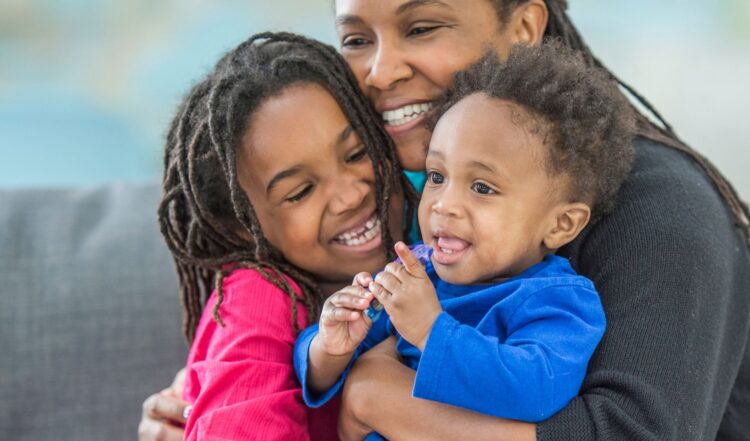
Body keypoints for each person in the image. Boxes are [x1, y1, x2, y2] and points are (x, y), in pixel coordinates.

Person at [140, 1, 750, 440]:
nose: (380, 72)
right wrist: (213, 399)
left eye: (422, 26)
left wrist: (380, 399)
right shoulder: (414, 208)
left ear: (526, 27)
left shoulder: (663, 208)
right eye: (357, 39)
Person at [296, 42, 635, 435]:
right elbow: (326, 362)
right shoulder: (417, 273)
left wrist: (430, 329)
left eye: (482, 187)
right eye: (437, 177)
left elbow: (534, 390)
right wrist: (330, 345)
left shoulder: (558, 301)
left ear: (560, 225)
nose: (444, 205)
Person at [152, 31, 416, 440]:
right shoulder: (257, 297)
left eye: (356, 153)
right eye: (300, 192)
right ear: (239, 226)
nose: (349, 195)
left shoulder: (437, 237)